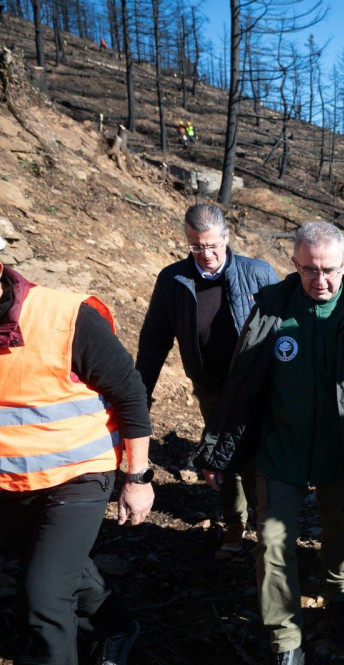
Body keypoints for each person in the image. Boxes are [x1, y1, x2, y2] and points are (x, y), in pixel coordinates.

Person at [194, 222, 344, 663]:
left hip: (343, 455)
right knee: (272, 543)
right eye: (309, 269)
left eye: (330, 269)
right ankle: (285, 640)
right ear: (294, 264)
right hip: (281, 451)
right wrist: (218, 451)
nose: (320, 279)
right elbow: (240, 385)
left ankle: (338, 595)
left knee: (340, 532)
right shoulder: (271, 310)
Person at [0, 263, 155, 664]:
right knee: (45, 567)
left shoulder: (66, 317)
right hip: (12, 480)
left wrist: (137, 478)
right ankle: (114, 628)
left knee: (43, 598)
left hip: (80, 473)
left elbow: (131, 394)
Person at [135, 203, 278, 557]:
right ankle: (233, 523)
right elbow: (154, 339)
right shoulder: (173, 280)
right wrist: (140, 393)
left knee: (262, 454)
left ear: (227, 237)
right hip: (211, 386)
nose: (207, 254)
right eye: (197, 246)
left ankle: (268, 526)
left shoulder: (258, 273)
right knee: (223, 453)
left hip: (259, 384)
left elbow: (284, 331)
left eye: (213, 245)